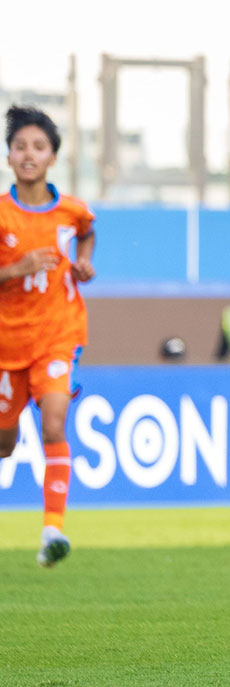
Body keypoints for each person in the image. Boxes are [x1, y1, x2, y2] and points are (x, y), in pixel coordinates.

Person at [0, 105, 96, 569]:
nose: (28, 154)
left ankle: (52, 531)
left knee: (54, 423)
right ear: (10, 157)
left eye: (38, 146)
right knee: (4, 443)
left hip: (57, 333)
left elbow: (87, 231)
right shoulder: (1, 214)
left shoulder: (71, 210)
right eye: (20, 146)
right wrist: (15, 270)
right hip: (6, 345)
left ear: (53, 156)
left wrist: (84, 263)